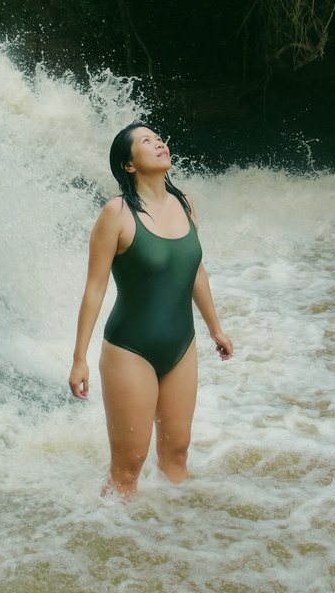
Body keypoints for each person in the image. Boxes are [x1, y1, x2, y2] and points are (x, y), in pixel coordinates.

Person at [68, 121, 233, 498]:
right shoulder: (116, 214)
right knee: (127, 469)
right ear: (129, 164)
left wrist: (215, 329)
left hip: (181, 345)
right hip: (130, 349)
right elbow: (94, 290)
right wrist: (79, 358)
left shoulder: (184, 202)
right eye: (146, 141)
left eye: (159, 139)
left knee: (177, 454)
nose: (159, 144)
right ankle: (112, 540)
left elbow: (195, 270)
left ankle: (170, 544)